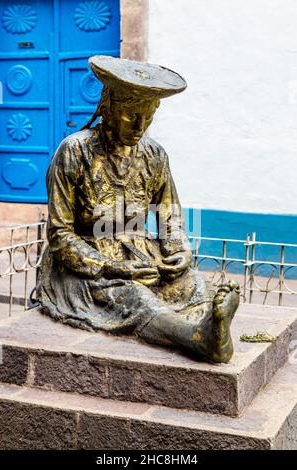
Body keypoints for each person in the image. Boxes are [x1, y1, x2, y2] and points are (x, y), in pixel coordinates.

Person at [37, 56, 240, 363]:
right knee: (134, 298)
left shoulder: (155, 155)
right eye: (132, 117)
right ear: (109, 109)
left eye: (147, 118)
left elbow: (169, 218)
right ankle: (197, 338)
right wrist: (110, 266)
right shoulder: (74, 151)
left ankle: (209, 324)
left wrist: (179, 252)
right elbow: (60, 234)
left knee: (192, 284)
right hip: (85, 265)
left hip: (139, 253)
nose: (140, 127)